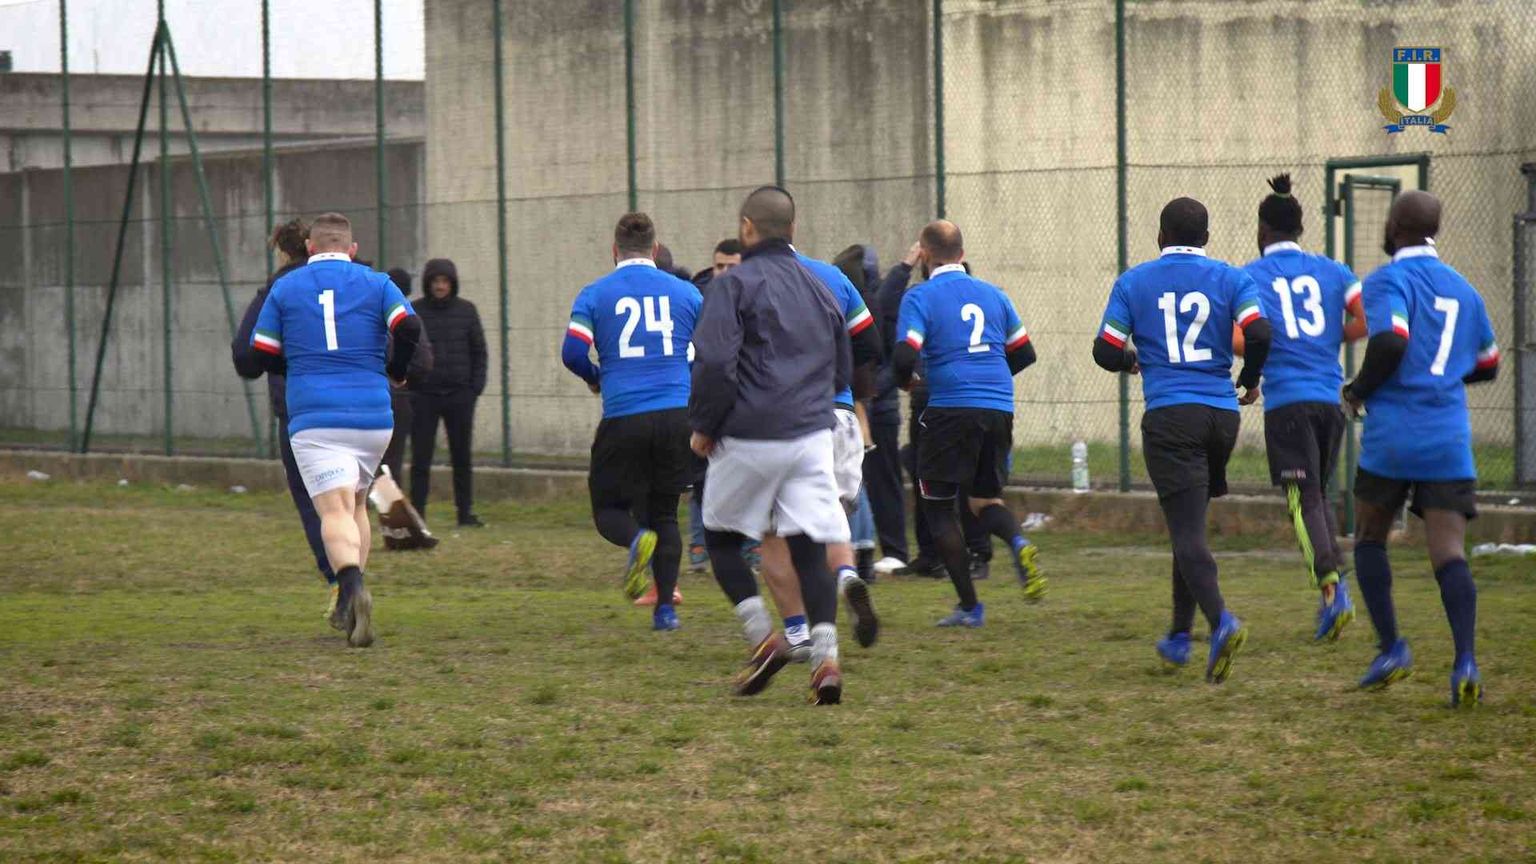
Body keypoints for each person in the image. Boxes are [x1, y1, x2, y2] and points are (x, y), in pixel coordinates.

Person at [1092, 197, 1271, 683]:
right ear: (1207, 239)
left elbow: (1104, 350)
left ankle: (1222, 622)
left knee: (1187, 532)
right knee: (1188, 523)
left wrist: (1134, 362)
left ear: (1159, 237)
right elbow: (1260, 332)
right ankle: (1177, 635)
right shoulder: (1233, 278)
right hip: (1221, 416)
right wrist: (1250, 379)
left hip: (1172, 417)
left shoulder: (1134, 282)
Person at [690, 186, 852, 705]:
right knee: (808, 546)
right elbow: (845, 364)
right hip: (810, 434)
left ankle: (764, 638)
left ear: (746, 228)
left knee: (719, 537)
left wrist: (705, 425)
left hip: (750, 432)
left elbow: (715, 363)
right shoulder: (820, 285)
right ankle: (826, 658)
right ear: (794, 230)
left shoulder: (733, 285)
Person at [1343, 190, 1499, 706]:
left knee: (1369, 536)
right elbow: (1488, 364)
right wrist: (1444, 377)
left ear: (1393, 225)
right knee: (1448, 552)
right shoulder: (1465, 290)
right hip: (1448, 435)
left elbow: (1391, 341)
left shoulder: (1387, 279)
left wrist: (1358, 390)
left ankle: (1392, 649)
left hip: (1394, 435)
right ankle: (1465, 662)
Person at [250, 212, 423, 648]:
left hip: (315, 416)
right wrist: (397, 370)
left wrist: (294, 368)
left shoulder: (285, 287)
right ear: (352, 249)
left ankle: (350, 588)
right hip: (372, 416)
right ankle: (354, 596)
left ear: (309, 247)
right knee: (358, 506)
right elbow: (410, 326)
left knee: (333, 512)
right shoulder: (377, 281)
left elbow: (261, 351)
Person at [892, 221, 1045, 628]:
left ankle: (970, 607)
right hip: (997, 407)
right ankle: (1018, 541)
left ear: (924, 255)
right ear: (961, 253)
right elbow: (1024, 353)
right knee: (983, 502)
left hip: (948, 408)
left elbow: (905, 357)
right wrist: (988, 379)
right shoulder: (995, 295)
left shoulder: (920, 297)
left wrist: (908, 382)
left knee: (940, 510)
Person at [561, 212, 702, 631]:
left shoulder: (595, 293)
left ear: (614, 251)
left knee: (609, 509)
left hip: (625, 415)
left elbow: (572, 352)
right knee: (664, 512)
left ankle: (636, 541)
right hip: (677, 416)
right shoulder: (687, 293)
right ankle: (666, 612)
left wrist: (595, 378)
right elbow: (709, 347)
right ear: (656, 251)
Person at [1241, 174, 1364, 640]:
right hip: (1329, 401)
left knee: (1302, 499)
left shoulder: (1250, 276)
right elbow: (1366, 318)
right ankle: (1332, 593)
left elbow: (1248, 335)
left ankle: (1333, 592)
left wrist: (1250, 367)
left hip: (1288, 403)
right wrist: (1330, 336)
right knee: (1319, 496)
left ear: (1262, 230)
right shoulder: (1334, 271)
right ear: (1301, 229)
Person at [751, 242, 885, 653]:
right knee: (829, 519)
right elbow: (871, 347)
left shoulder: (748, 282)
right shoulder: (835, 278)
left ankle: (798, 633)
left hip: (782, 420)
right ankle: (846, 575)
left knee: (772, 532)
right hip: (840, 415)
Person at [233, 220, 338, 616]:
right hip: (357, 407)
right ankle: (354, 575)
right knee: (350, 501)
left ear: (282, 251)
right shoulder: (355, 280)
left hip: (299, 411)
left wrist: (276, 360)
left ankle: (340, 581)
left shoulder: (278, 291)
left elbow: (246, 355)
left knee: (315, 502)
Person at [876, 248, 991, 579]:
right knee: (924, 473)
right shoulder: (921, 299)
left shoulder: (946, 301)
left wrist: (905, 262)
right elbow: (884, 308)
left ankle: (976, 553)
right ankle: (932, 554)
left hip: (955, 398)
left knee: (965, 476)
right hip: (929, 399)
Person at [409, 257, 488, 528]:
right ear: (428, 284)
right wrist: (412, 386)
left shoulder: (467, 311)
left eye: (445, 281)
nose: (440, 286)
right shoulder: (415, 311)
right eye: (435, 281)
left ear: (452, 284)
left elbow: (479, 351)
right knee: (421, 458)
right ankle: (417, 515)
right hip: (424, 396)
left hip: (459, 397)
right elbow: (406, 349)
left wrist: (474, 388)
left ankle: (465, 513)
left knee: (462, 457)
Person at [684, 238, 747, 572]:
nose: (723, 273)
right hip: (707, 396)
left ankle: (751, 549)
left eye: (731, 267)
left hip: (747, 403)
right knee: (701, 475)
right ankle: (698, 547)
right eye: (719, 266)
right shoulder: (700, 296)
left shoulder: (755, 298)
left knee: (745, 479)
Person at [374, 266, 438, 552]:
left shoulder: (362, 315)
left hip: (359, 397)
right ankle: (397, 530)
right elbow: (423, 361)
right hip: (396, 399)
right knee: (389, 468)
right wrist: (401, 377)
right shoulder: (410, 319)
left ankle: (345, 526)